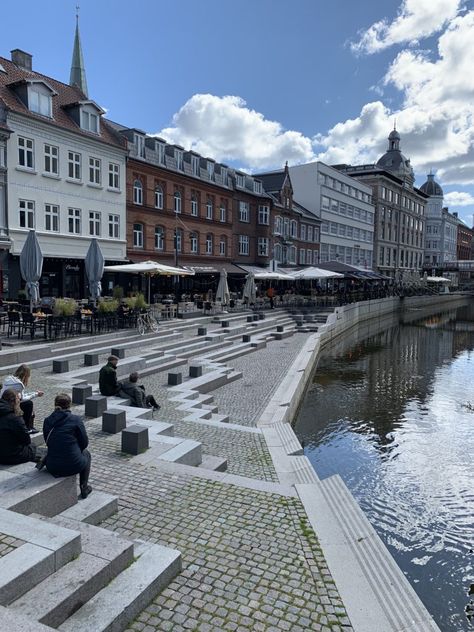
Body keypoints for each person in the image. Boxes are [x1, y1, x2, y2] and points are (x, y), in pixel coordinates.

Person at [43, 393, 92, 499]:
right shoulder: (75, 419)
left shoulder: (47, 420)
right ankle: (84, 486)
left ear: (55, 405)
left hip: (52, 466)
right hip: (73, 465)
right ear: (69, 405)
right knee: (86, 454)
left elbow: (47, 441)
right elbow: (84, 443)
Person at [0, 364, 44, 432]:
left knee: (28, 404)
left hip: (2, 402)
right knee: (28, 404)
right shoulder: (19, 384)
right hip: (7, 405)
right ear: (26, 376)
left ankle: (30, 426)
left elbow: (21, 395)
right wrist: (36, 394)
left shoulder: (10, 378)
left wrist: (35, 393)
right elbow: (23, 399)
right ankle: (27, 428)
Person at [0, 389, 37, 465]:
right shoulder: (15, 418)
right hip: (11, 455)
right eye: (19, 399)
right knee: (32, 446)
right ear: (15, 401)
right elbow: (26, 440)